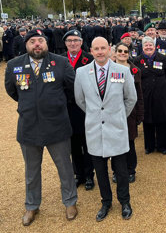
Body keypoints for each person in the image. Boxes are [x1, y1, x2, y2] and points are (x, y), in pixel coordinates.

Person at [4, 28, 78, 226]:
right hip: (29, 127)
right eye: (32, 41)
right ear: (26, 45)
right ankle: (32, 205)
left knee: (65, 168)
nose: (37, 44)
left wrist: (55, 104)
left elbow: (72, 89)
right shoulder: (13, 65)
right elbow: (12, 91)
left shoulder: (61, 63)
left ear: (46, 43)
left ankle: (70, 202)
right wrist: (31, 105)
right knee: (31, 171)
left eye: (40, 41)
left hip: (57, 126)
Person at [74, 37, 137, 222]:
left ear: (109, 49)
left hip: (116, 129)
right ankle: (106, 202)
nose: (100, 51)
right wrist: (97, 116)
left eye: (103, 48)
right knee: (100, 172)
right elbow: (80, 100)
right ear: (91, 51)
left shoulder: (123, 71)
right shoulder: (81, 72)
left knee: (121, 171)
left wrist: (117, 116)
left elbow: (130, 98)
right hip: (94, 130)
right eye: (96, 49)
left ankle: (125, 202)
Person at [61, 30, 95, 191]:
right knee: (73, 144)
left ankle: (89, 175)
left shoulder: (89, 59)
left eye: (75, 40)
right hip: (66, 109)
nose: (72, 43)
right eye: (69, 41)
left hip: (85, 108)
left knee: (88, 143)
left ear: (81, 42)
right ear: (65, 43)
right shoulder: (59, 60)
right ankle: (78, 174)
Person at [133, 36, 166, 155]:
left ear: (154, 46)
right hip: (145, 95)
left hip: (161, 95)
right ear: (142, 47)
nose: (148, 47)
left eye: (150, 45)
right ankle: (149, 146)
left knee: (162, 120)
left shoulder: (162, 58)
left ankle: (163, 146)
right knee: (147, 121)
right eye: (146, 45)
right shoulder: (137, 61)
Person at [112, 43, 144, 183]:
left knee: (129, 143)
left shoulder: (135, 70)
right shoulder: (108, 68)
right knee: (114, 144)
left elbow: (139, 94)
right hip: (113, 113)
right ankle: (116, 171)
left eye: (125, 51)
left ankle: (131, 170)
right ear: (115, 52)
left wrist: (139, 114)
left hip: (130, 112)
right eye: (120, 51)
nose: (122, 53)